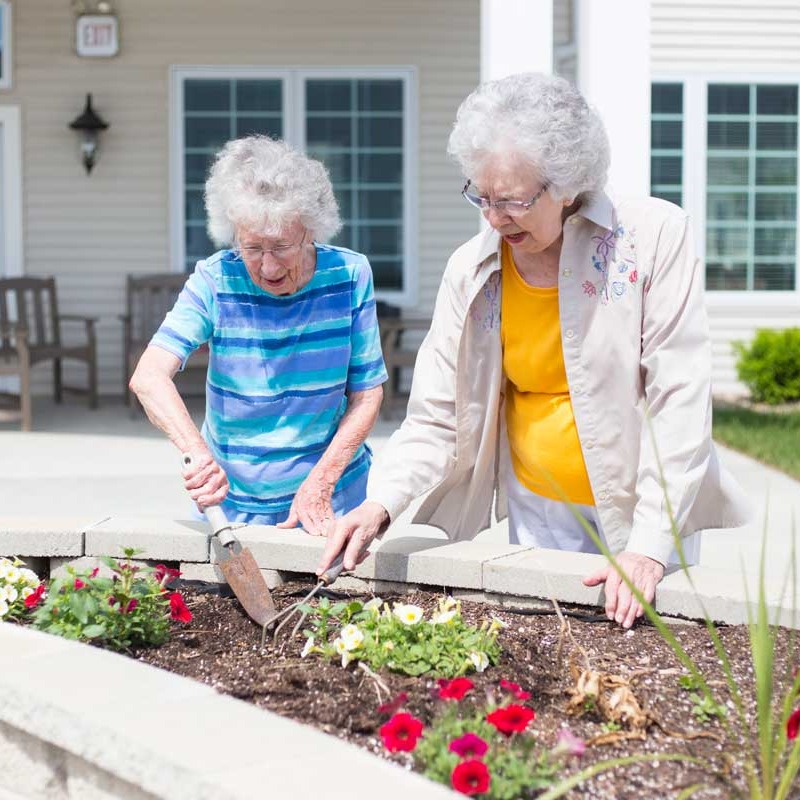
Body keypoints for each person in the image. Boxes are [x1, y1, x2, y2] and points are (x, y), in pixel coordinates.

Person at [317, 72, 750, 627]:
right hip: (540, 511)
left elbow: (680, 398)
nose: (495, 217)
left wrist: (648, 545)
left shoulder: (655, 236)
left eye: (514, 200)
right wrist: (380, 502)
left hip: (645, 509)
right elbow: (436, 416)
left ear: (567, 184)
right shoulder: (472, 270)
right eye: (482, 196)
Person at [130, 136, 387, 535]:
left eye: (282, 246)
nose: (267, 266)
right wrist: (197, 455)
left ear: (312, 231)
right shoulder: (216, 279)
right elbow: (149, 377)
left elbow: (367, 394)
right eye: (252, 248)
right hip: (233, 504)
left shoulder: (350, 276)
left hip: (332, 494)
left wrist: (321, 483)